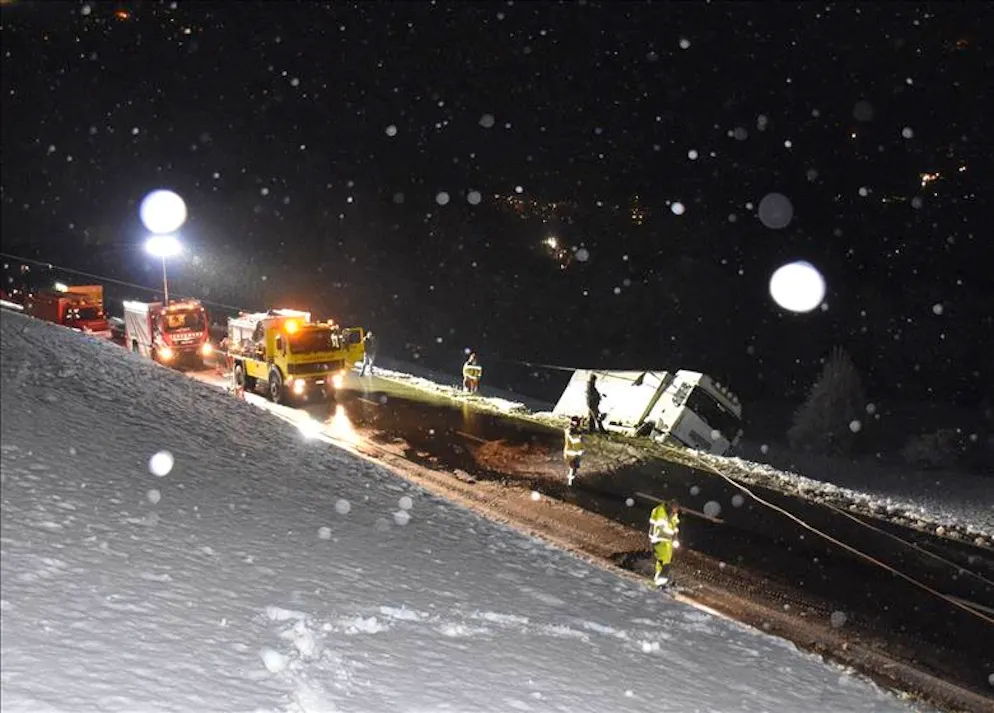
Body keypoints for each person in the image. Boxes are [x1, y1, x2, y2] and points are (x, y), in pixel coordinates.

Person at [649, 500, 681, 589]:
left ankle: (658, 582)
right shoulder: (660, 511)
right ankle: (660, 583)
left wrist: (675, 538)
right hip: (659, 539)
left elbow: (675, 527)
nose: (675, 511)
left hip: (668, 541)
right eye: (674, 509)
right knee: (665, 563)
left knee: (662, 563)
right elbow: (658, 526)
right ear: (670, 506)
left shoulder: (673, 514)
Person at [563, 415, 585, 486]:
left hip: (577, 451)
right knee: (572, 466)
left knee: (575, 466)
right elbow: (573, 439)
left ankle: (572, 480)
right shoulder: (569, 430)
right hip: (570, 452)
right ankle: (570, 483)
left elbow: (579, 439)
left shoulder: (577, 430)